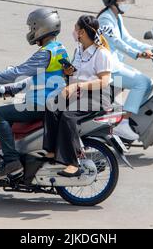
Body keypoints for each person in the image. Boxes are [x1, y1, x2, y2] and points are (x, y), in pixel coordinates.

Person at [0, 8, 69, 179]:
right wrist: (9, 90)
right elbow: (33, 78)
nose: (31, 32)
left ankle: (12, 163)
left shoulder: (45, 53)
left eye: (32, 28)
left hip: (41, 104)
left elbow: (16, 73)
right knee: (8, 113)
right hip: (50, 102)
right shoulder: (59, 48)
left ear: (41, 27)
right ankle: (14, 155)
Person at [43, 15, 112, 177]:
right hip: (79, 93)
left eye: (75, 29)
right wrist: (69, 73)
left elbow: (104, 81)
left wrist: (77, 85)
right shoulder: (79, 50)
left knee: (68, 116)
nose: (73, 32)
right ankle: (52, 150)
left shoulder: (101, 54)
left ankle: (72, 162)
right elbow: (78, 73)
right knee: (51, 105)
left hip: (97, 96)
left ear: (81, 32)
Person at [98, 0, 153, 141]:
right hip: (108, 68)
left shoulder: (117, 16)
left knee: (149, 83)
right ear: (111, 0)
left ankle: (128, 116)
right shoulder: (104, 19)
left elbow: (127, 38)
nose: (125, 0)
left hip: (116, 64)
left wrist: (152, 47)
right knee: (141, 83)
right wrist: (138, 54)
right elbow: (117, 42)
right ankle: (123, 123)